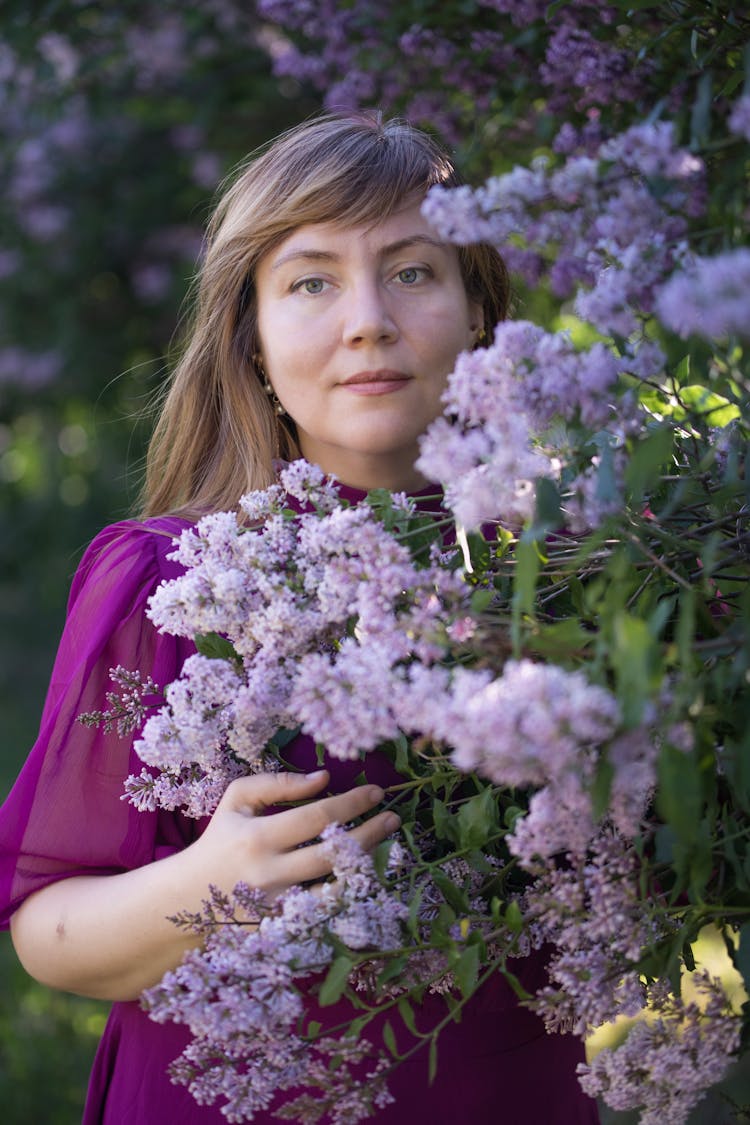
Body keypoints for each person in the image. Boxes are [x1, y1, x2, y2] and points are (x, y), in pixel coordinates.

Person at [0, 114, 599, 1123]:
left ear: (480, 317)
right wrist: (215, 880)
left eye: (413, 271)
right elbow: (46, 928)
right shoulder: (168, 580)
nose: (367, 319)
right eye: (312, 280)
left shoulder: (588, 580)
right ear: (255, 341)